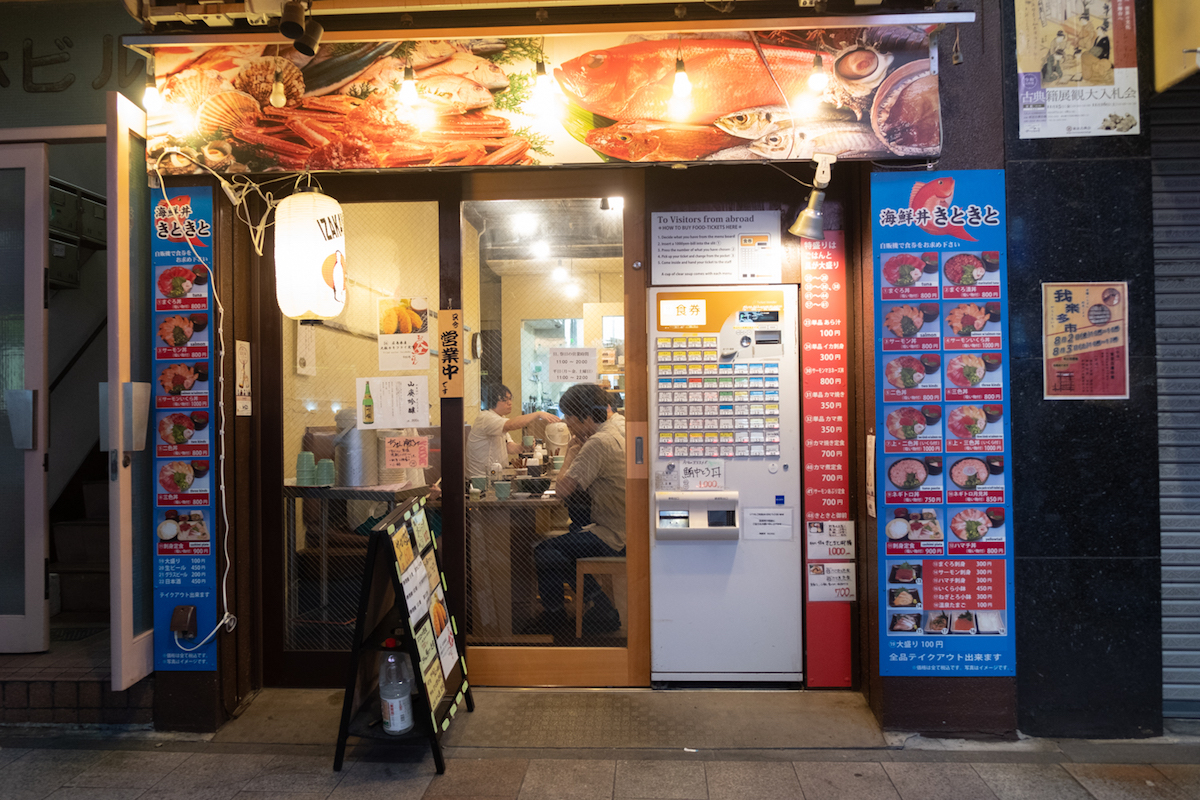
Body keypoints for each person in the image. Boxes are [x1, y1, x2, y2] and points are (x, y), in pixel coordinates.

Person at [529, 383, 626, 635]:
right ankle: (599, 606)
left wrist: (571, 451)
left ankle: (559, 619)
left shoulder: (598, 442)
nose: (567, 424)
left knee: (546, 551)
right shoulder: (617, 430)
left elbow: (562, 490)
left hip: (614, 535)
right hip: (625, 527)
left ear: (582, 416)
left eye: (568, 418)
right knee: (562, 544)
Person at [466, 384, 558, 479]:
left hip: (497, 475)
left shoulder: (500, 418)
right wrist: (537, 414)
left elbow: (509, 447)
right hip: (481, 479)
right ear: (493, 401)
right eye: (505, 400)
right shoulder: (486, 417)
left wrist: (522, 447)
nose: (510, 403)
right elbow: (511, 425)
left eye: (510, 399)